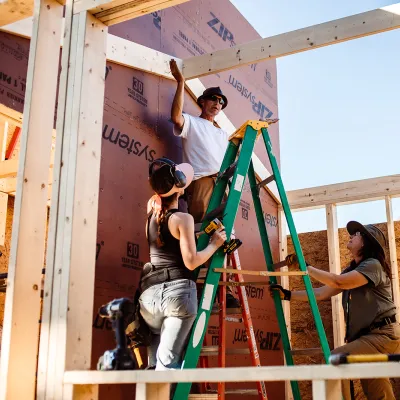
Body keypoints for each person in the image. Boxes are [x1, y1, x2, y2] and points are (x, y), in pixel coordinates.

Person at [270, 221, 400, 400]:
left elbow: (338, 282)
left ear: (367, 243)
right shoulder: (353, 270)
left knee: (336, 360)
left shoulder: (373, 265)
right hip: (369, 338)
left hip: (382, 335)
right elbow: (322, 292)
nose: (352, 235)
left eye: (357, 234)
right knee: (377, 391)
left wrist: (306, 268)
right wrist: (289, 295)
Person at [139, 157, 227, 371]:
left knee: (154, 368)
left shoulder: (151, 213)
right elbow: (191, 262)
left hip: (149, 299)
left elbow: (156, 202)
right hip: (177, 296)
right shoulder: (183, 219)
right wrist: (214, 245)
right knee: (166, 367)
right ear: (179, 190)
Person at [169, 59, 240, 308]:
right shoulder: (193, 122)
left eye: (221, 102)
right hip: (202, 183)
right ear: (202, 101)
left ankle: (224, 291)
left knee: (226, 235)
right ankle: (199, 288)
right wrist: (181, 82)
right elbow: (175, 117)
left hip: (224, 185)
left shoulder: (222, 134)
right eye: (214, 100)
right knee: (206, 232)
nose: (217, 104)